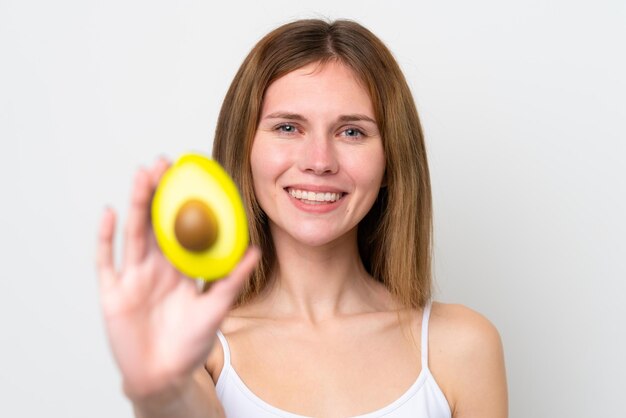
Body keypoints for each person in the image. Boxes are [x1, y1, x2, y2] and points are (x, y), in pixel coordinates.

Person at [96, 19, 508, 418]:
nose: (319, 162)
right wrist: (154, 391)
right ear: (245, 151)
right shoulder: (203, 353)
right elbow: (175, 406)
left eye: (351, 132)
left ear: (391, 161)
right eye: (289, 127)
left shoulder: (459, 347)